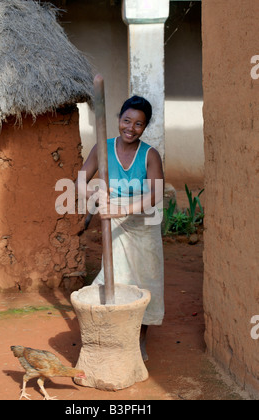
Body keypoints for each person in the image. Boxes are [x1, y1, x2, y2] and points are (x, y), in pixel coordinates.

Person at [76, 96, 165, 361]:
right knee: (112, 279)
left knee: (146, 282)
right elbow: (81, 177)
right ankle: (110, 337)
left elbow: (156, 194)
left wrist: (123, 209)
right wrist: (89, 191)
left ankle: (139, 341)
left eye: (139, 124)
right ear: (119, 120)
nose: (131, 128)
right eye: (127, 120)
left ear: (144, 127)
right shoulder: (102, 149)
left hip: (143, 226)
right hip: (113, 225)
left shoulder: (150, 155)